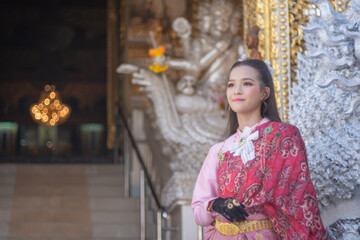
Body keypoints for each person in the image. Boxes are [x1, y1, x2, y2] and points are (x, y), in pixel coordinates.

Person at [191, 59, 328, 239]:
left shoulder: (284, 137)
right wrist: (216, 204)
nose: (237, 91)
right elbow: (198, 211)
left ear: (265, 93)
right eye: (231, 85)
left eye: (247, 83)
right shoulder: (219, 150)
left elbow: (300, 201)